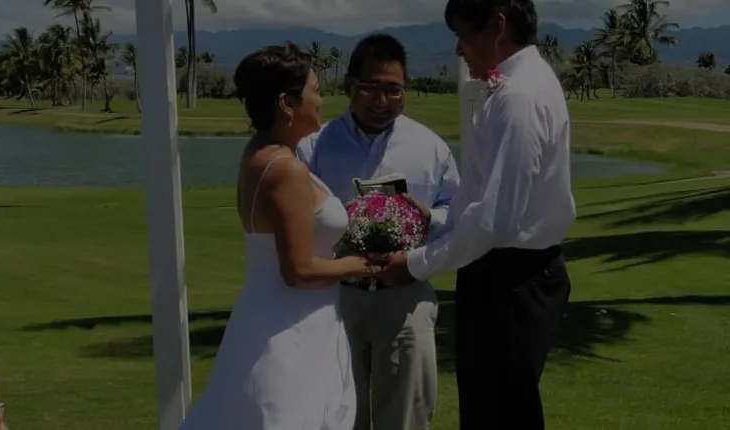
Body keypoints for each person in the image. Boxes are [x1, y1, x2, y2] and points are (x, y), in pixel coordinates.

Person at [377, 0, 576, 428]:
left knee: (499, 414)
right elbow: (486, 199)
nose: (458, 49)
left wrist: (413, 265)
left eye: (463, 35)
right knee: (493, 410)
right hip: (507, 273)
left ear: (498, 26)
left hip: (510, 279)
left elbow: (496, 221)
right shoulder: (517, 86)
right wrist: (437, 222)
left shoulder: (519, 97)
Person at [180, 43, 382, 430]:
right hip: (290, 327)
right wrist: (361, 264)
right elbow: (298, 270)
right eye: (315, 90)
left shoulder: (259, 153)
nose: (322, 100)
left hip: (272, 314)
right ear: (287, 103)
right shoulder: (286, 170)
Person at [297, 34, 460, 430]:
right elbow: (297, 220)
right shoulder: (315, 146)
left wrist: (425, 217)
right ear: (350, 85)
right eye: (372, 87)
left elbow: (457, 214)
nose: (382, 100)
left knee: (405, 417)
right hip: (336, 297)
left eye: (394, 90)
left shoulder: (430, 147)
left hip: (406, 294)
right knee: (336, 416)